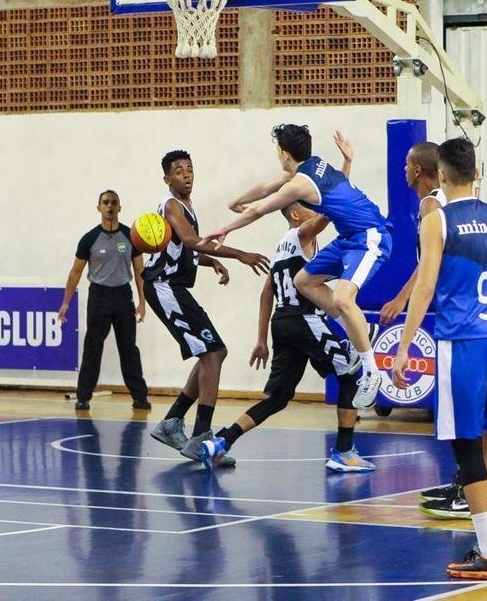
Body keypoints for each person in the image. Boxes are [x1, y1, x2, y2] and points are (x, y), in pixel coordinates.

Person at [391, 137, 487, 581]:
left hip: (462, 341)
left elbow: (426, 286)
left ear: (442, 175)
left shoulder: (437, 221)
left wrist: (403, 346)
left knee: (465, 445)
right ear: (475, 173)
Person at [202, 124, 392, 409]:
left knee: (342, 297)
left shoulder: (300, 185)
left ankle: (371, 372)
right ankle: (360, 331)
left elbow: (260, 209)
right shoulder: (315, 167)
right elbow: (267, 187)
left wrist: (225, 228)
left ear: (284, 153)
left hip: (370, 237)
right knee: (304, 281)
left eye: (277, 148)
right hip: (348, 237)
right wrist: (236, 201)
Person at [194, 201, 372, 472]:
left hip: (282, 322)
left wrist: (262, 339)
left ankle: (222, 441)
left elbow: (267, 294)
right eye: (309, 206)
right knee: (349, 376)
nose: (315, 209)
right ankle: (344, 452)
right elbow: (327, 215)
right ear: (296, 214)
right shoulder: (302, 234)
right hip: (304, 318)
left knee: (277, 398)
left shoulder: (280, 247)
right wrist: (339, 188)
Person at [144, 149, 270, 461]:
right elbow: (188, 240)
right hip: (163, 287)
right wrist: (239, 254)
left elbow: (183, 249)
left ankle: (173, 422)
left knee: (212, 353)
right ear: (167, 178)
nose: (186, 175)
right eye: (178, 171)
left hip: (174, 287)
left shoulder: (186, 206)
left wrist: (210, 260)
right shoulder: (171, 205)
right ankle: (201, 436)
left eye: (189, 169)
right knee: (213, 353)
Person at [377, 141, 465, 517]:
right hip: (458, 310)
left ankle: (466, 488)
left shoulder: (432, 204)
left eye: (406, 164)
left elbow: (431, 266)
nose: (403, 169)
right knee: (457, 415)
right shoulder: (431, 203)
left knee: (457, 415)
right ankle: (463, 482)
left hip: (452, 312)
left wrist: (403, 300)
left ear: (417, 169)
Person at [58, 189, 151, 411]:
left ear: (120, 207)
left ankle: (140, 397)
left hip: (122, 296)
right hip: (99, 297)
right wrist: (65, 303)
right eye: (105, 202)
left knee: (129, 348)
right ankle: (83, 397)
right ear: (99, 207)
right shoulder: (89, 238)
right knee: (92, 347)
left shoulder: (131, 236)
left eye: (114, 202)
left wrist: (142, 302)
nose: (109, 206)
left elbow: (140, 271)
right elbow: (75, 273)